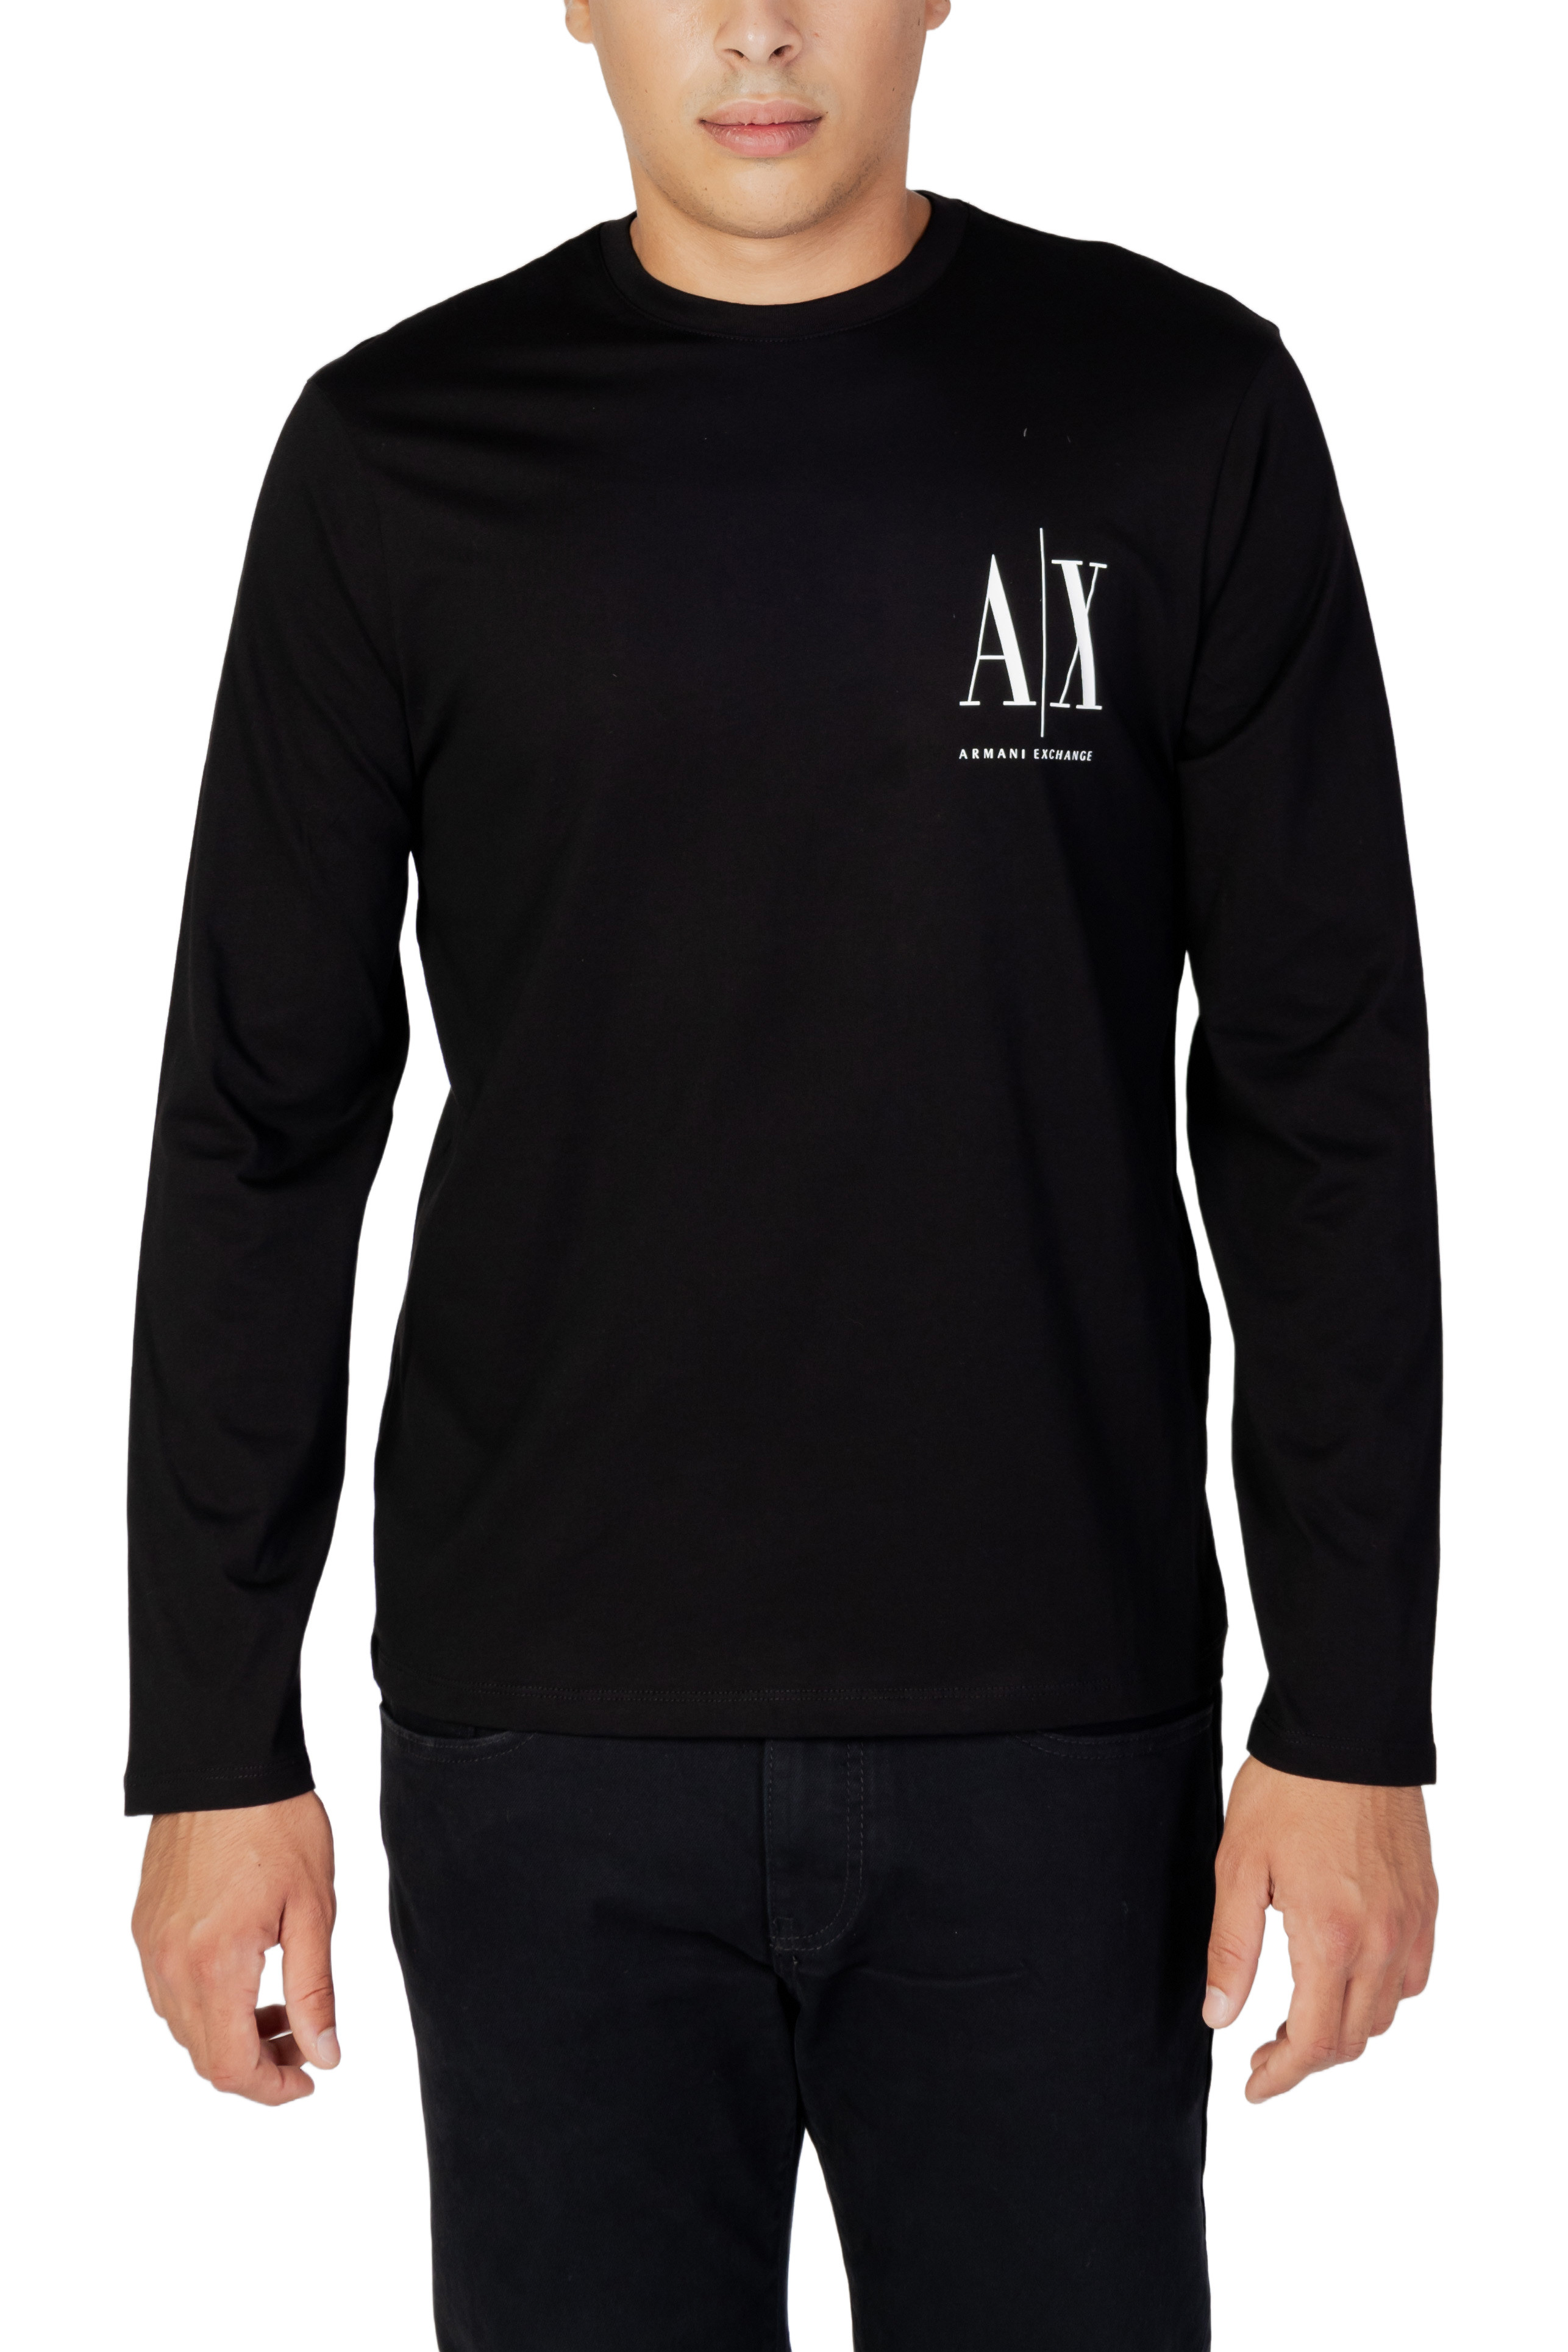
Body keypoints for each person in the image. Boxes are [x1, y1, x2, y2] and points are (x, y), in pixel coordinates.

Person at [127, 4, 1441, 2345]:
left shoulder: (1177, 409)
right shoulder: (400, 455)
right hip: (545, 1743)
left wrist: (1349, 1712)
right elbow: (260, 1118)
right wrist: (215, 1741)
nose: (754, 27)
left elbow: (1321, 1093)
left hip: (1058, 1738)